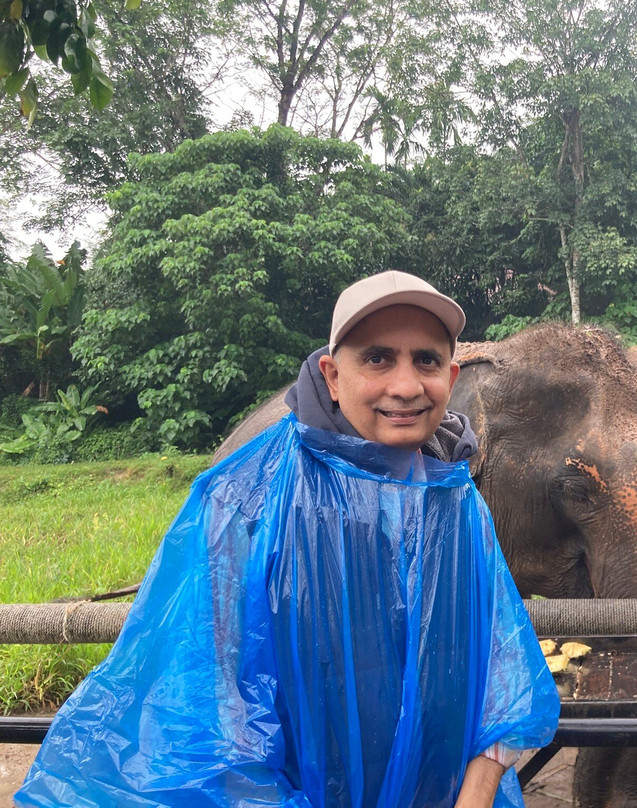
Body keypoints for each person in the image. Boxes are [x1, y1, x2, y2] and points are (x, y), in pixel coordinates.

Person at [16, 271, 560, 808]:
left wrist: (474, 798)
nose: (406, 385)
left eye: (427, 360)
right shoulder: (250, 498)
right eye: (377, 358)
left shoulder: (456, 500)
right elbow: (205, 701)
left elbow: (501, 673)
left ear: (452, 374)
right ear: (331, 374)